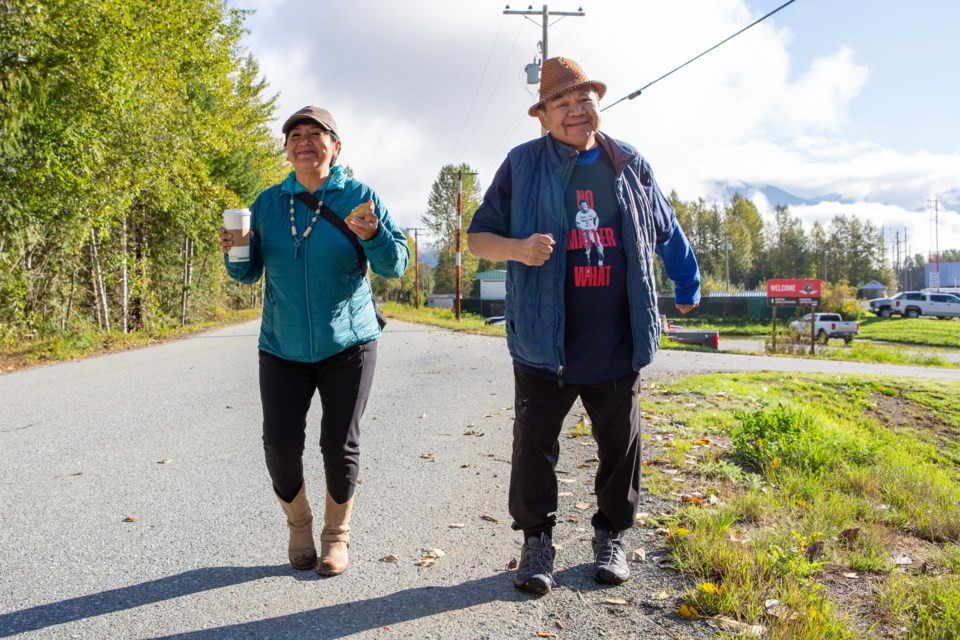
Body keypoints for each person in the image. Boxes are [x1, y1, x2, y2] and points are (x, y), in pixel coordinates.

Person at [467, 58, 700, 595]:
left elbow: (668, 230)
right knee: (534, 447)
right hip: (543, 343)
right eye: (562, 104)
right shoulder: (522, 165)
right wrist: (518, 250)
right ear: (544, 116)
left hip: (617, 339)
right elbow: (478, 237)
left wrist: (687, 287)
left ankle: (611, 536)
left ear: (598, 102)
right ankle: (536, 542)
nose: (576, 111)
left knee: (621, 448)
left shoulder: (628, 162)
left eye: (584, 99)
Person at [219, 105, 409, 576]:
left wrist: (376, 236)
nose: (304, 140)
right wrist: (232, 254)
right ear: (286, 148)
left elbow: (395, 265)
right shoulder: (265, 204)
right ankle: (299, 526)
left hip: (349, 342)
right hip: (281, 345)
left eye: (316, 134)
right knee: (280, 443)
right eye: (295, 135)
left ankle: (335, 537)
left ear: (336, 146)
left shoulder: (360, 196)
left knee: (338, 443)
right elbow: (248, 274)